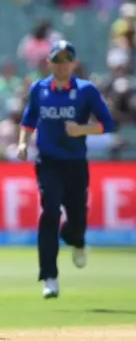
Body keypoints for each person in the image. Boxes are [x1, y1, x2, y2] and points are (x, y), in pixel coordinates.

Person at [17, 40, 115, 299]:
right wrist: (22, 143)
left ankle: (77, 240)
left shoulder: (86, 90)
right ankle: (49, 277)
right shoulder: (39, 88)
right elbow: (28, 120)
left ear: (73, 63)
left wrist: (81, 129)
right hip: (48, 162)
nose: (61, 65)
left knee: (77, 218)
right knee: (49, 212)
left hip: (75, 162)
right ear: (49, 63)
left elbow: (107, 124)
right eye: (57, 60)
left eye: (66, 60)